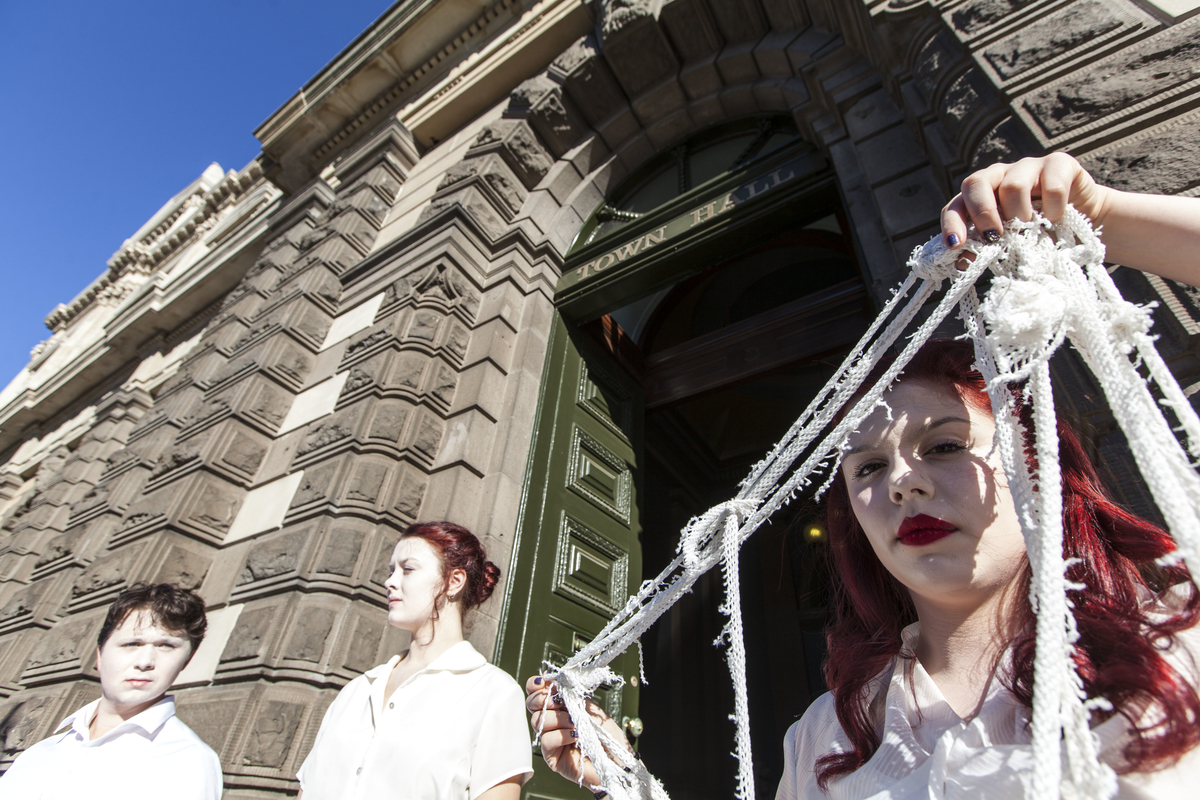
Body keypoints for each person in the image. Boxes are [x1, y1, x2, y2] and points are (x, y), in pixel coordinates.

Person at [525, 154, 1200, 798]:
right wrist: (619, 778)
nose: (904, 483)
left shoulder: (1177, 644)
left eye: (943, 445)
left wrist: (1106, 213)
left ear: (1034, 463)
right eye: (869, 467)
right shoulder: (826, 734)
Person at [296, 520, 532, 800]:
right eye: (391, 570)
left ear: (453, 581)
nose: (390, 581)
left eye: (407, 569)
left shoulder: (494, 693)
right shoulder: (356, 691)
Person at [0, 582, 223, 799]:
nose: (145, 661)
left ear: (185, 661)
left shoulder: (190, 761)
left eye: (166, 646)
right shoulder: (39, 752)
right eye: (131, 644)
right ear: (99, 655)